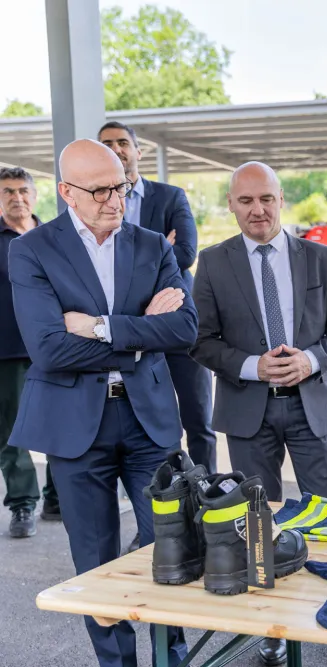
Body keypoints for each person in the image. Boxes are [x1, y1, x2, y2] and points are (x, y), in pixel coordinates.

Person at [7, 139, 192, 666]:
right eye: (101, 191)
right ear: (66, 192)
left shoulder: (152, 245)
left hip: (147, 421)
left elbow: (183, 328)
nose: (116, 200)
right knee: (94, 559)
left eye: (122, 187)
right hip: (74, 425)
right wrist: (141, 333)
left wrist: (99, 327)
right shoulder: (31, 249)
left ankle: (171, 658)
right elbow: (48, 348)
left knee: (171, 548)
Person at [190, 161, 327, 665]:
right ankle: (271, 628)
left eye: (266, 199)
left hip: (310, 406)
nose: (258, 210)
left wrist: (311, 359)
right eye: (246, 200)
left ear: (281, 200)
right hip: (247, 412)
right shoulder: (213, 263)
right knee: (258, 524)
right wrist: (252, 366)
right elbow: (200, 340)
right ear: (231, 205)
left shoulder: (319, 258)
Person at [98, 121, 217, 474]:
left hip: (178, 323)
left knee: (198, 419)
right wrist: (159, 247)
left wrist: (133, 263)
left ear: (138, 151)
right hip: (131, 328)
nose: (116, 149)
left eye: (122, 142)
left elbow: (186, 254)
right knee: (149, 423)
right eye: (107, 144)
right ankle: (164, 497)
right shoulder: (93, 205)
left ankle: (207, 493)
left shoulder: (169, 196)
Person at [0, 167, 61, 537]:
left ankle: (57, 498)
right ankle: (22, 504)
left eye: (23, 190)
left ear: (35, 196)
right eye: (8, 191)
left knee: (61, 425)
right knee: (11, 433)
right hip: (6, 351)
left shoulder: (55, 237)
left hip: (56, 347)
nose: (16, 197)